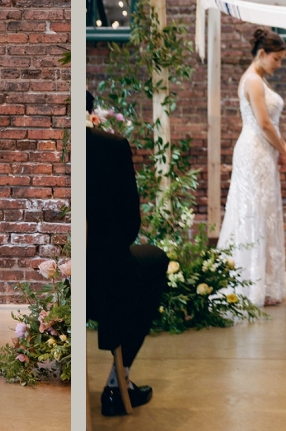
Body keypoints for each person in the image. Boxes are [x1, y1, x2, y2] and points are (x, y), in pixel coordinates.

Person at [90, 127, 167, 417]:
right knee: (154, 262)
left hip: (70, 275)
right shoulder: (110, 146)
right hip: (104, 274)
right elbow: (129, 224)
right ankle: (116, 385)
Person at [218, 29, 286, 307]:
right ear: (262, 54)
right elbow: (263, 123)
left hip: (263, 153)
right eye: (277, 59)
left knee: (265, 213)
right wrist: (283, 148)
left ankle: (263, 282)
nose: (279, 64)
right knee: (251, 213)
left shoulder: (258, 79)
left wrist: (280, 148)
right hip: (254, 150)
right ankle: (246, 284)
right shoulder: (253, 80)